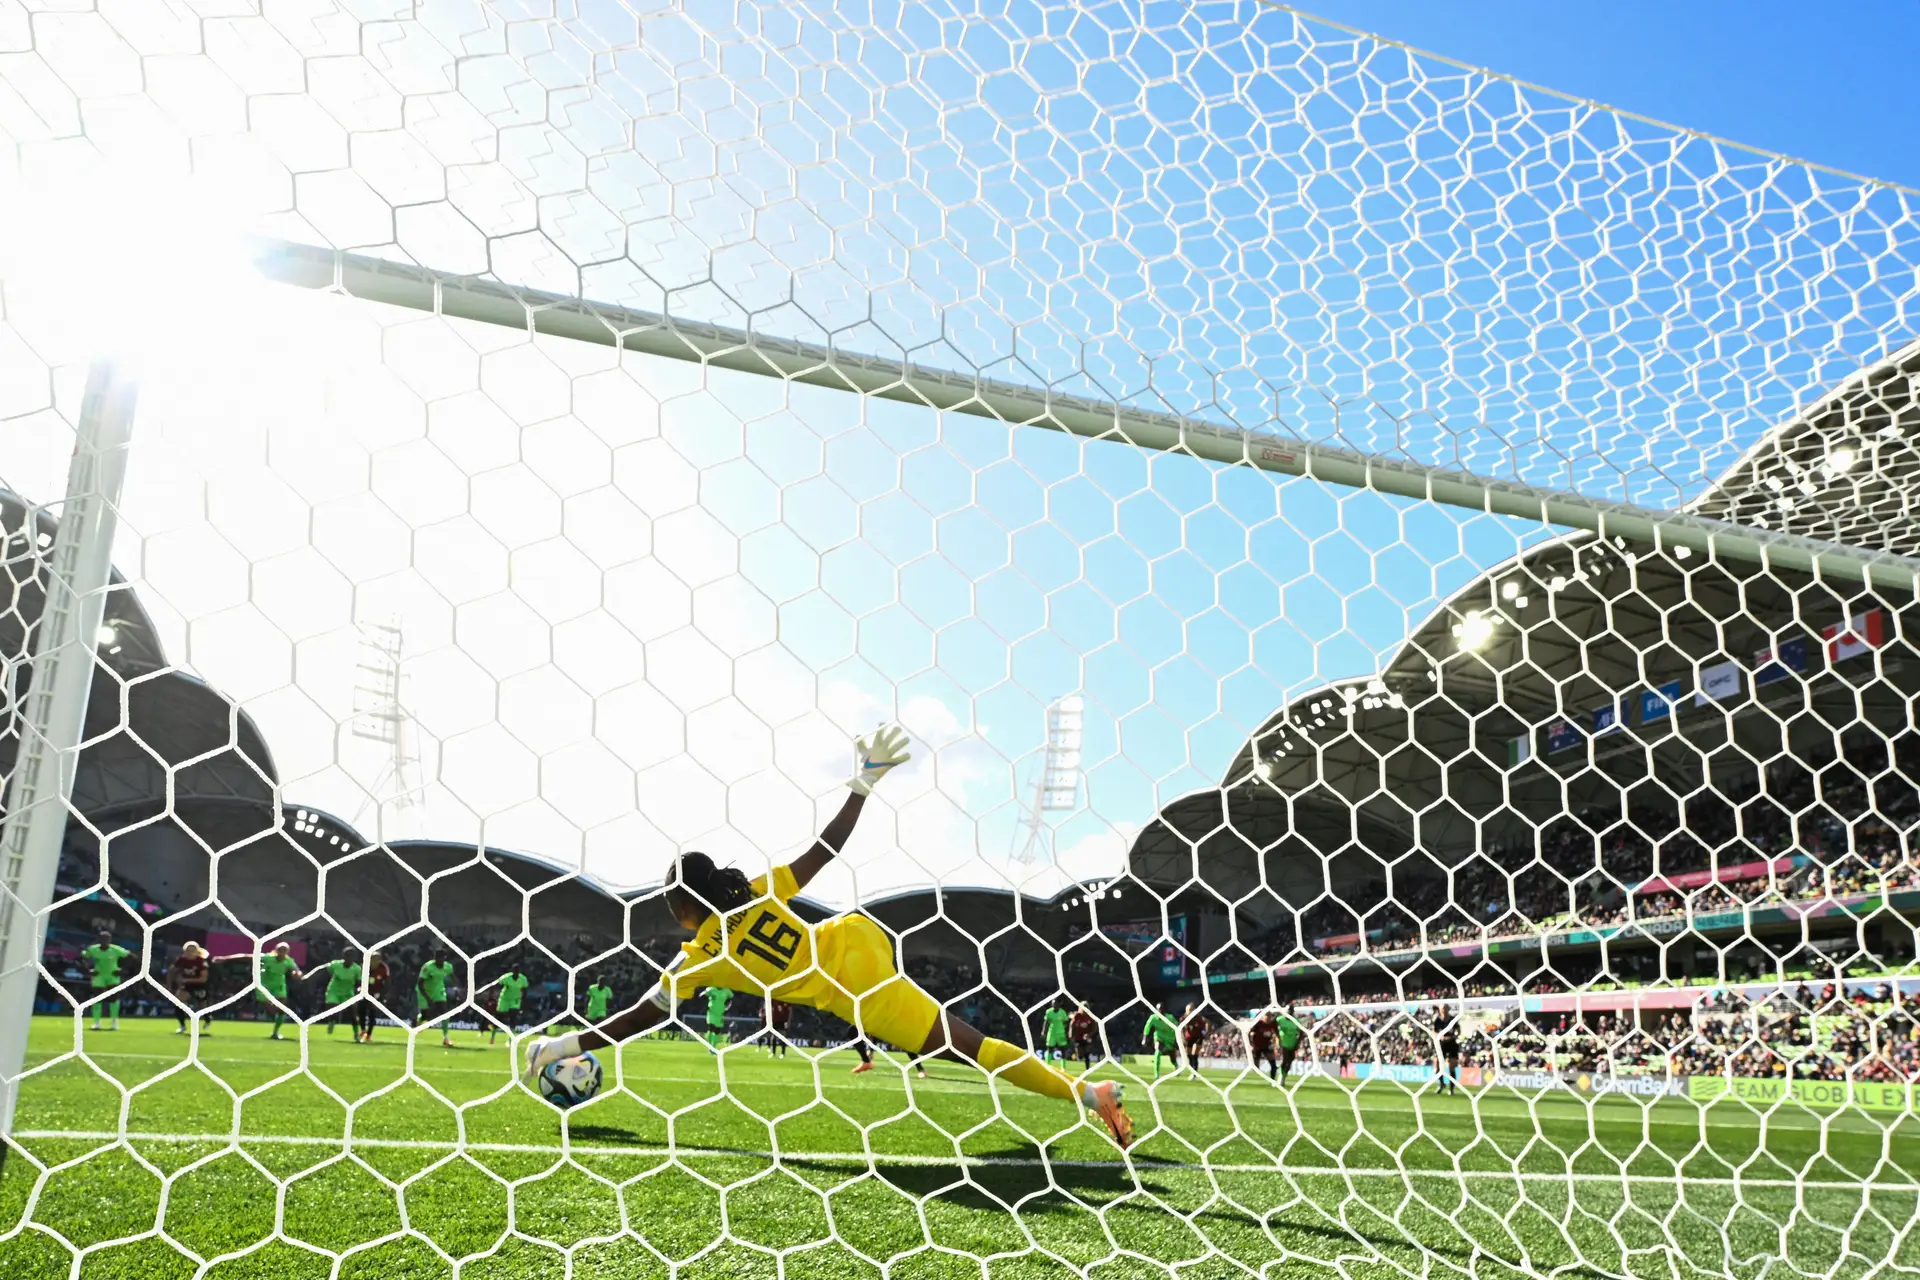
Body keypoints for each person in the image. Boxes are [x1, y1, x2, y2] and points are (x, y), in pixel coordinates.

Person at [524, 725, 1130, 1147]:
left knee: (967, 1049)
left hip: (857, 988)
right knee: (947, 1044)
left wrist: (560, 1046)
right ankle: (1084, 1090)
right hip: (858, 939)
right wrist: (862, 785)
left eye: (669, 900)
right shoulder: (755, 890)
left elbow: (638, 1018)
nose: (667, 909)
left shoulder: (698, 958)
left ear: (685, 904)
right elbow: (825, 849)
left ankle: (1087, 1091)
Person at [212, 941, 301, 1039]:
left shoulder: (289, 961)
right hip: (263, 986)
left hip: (279, 986)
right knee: (271, 1012)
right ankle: (272, 1018)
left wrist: (296, 974)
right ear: (276, 950)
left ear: (288, 951)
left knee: (281, 1010)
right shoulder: (266, 958)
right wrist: (225, 959)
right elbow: (245, 956)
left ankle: (275, 1033)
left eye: (285, 950)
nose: (282, 951)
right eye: (280, 949)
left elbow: (296, 970)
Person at [81, 929, 134, 1031]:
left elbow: (130, 956)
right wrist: (88, 970)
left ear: (110, 940)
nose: (105, 940)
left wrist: (123, 969)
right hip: (99, 975)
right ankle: (97, 1023)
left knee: (113, 998)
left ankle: (114, 1021)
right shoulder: (93, 949)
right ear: (99, 939)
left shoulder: (115, 949)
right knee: (97, 998)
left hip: (112, 975)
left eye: (107, 939)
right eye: (103, 938)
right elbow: (83, 956)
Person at [304, 953, 363, 1036]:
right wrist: (309, 976)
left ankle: (356, 1034)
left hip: (347, 993)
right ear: (343, 957)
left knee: (353, 1013)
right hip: (334, 991)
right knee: (332, 1008)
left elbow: (359, 982)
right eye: (347, 956)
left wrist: (359, 990)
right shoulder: (335, 964)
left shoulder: (357, 969)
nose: (349, 958)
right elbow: (322, 968)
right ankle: (332, 1021)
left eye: (351, 956)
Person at [163, 940, 211, 1036]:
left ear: (197, 951)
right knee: (178, 1001)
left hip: (199, 985)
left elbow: (203, 979)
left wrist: (185, 980)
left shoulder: (201, 962)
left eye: (192, 950)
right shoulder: (181, 960)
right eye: (188, 950)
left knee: (203, 1007)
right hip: (187, 985)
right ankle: (182, 1026)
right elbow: (171, 971)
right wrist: (169, 985)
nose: (190, 953)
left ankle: (207, 1019)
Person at [416, 949, 456, 1047]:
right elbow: (420, 984)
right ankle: (420, 1020)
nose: (439, 960)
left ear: (444, 958)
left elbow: (452, 977)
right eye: (437, 958)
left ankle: (446, 1038)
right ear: (434, 958)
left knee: (445, 1013)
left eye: (441, 958)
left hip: (438, 990)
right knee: (426, 1015)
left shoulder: (448, 966)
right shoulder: (427, 967)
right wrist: (428, 999)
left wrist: (457, 988)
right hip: (424, 991)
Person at [357, 951, 390, 1043]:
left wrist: (383, 996)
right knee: (361, 1011)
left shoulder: (383, 968)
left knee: (372, 1013)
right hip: (364, 991)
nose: (375, 960)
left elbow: (387, 982)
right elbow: (358, 979)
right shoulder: (364, 966)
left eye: (377, 958)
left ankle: (368, 1034)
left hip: (376, 992)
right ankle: (363, 1030)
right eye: (373, 958)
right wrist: (359, 988)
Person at [1141, 1006, 1180, 1078]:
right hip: (1159, 1037)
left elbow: (1177, 1028)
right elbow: (1147, 1027)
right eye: (1159, 1010)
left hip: (1170, 1039)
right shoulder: (1153, 1018)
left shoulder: (1170, 1018)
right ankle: (1157, 1073)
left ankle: (1176, 1067)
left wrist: (1176, 1041)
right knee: (1158, 1050)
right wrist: (1145, 1038)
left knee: (1172, 1058)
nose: (1160, 1012)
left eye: (1162, 1011)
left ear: (1165, 1012)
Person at [1433, 1005, 1461, 1097]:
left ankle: (1451, 1089)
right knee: (1437, 1066)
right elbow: (1434, 1031)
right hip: (1441, 1044)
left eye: (1445, 1008)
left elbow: (1458, 1030)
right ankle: (1442, 1084)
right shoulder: (1437, 1020)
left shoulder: (1453, 1019)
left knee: (1451, 1067)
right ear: (1440, 1010)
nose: (1444, 1010)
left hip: (1452, 1044)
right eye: (1442, 1009)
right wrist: (1440, 1036)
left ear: (1448, 1009)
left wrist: (1453, 1036)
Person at [1274, 1004, 1306, 1086]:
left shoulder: (1296, 1021)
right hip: (1283, 1043)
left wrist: (1298, 1042)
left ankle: (1284, 1076)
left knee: (1290, 1061)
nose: (1289, 1012)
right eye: (1288, 1010)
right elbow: (1273, 1027)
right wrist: (1277, 1037)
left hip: (1293, 1043)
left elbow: (1301, 1032)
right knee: (1284, 1060)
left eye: (1291, 1011)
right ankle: (1281, 1077)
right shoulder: (1279, 1020)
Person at [1248, 1009, 1279, 1081]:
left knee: (1273, 1064)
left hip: (1267, 1046)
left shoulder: (1273, 1024)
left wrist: (1278, 1045)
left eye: (1270, 1016)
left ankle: (1272, 1080)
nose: (1268, 1018)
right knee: (1256, 1067)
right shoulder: (1258, 1024)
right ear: (1263, 1016)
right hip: (1257, 1046)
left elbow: (1277, 1035)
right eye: (1266, 1016)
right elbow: (1249, 1033)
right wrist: (1250, 1044)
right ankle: (1257, 1077)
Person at [1180, 1003, 1210, 1078]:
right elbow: (1181, 1029)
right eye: (1188, 1010)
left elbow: (1207, 1022)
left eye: (1191, 1009)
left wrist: (1206, 1033)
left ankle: (1195, 1072)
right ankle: (1192, 1069)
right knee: (1189, 1054)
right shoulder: (1183, 1018)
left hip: (1198, 1037)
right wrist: (1183, 1038)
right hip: (1189, 1038)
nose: (1189, 1011)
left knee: (1194, 1054)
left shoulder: (1198, 1018)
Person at [1069, 1002, 1098, 1071]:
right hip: (1078, 1037)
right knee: (1080, 1055)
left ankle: (1088, 1069)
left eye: (1086, 1008)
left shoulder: (1091, 1017)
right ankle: (1079, 1056)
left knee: (1086, 1053)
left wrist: (1089, 1035)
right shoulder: (1077, 1015)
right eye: (1083, 1008)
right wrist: (1070, 1034)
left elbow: (1094, 1029)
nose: (1084, 1009)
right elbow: (1072, 1024)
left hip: (1086, 1038)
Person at [1042, 998, 1072, 1063]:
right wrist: (1044, 1031)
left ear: (1059, 1004)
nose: (1054, 1005)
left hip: (1061, 1034)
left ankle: (1063, 1068)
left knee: (1062, 1050)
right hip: (1051, 1033)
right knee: (1049, 1049)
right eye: (1053, 1004)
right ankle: (1048, 1065)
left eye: (1055, 1003)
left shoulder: (1062, 1012)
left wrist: (1066, 1032)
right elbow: (1046, 1022)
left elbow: (1066, 1022)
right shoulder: (1049, 1012)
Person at [703, 986, 732, 1051]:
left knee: (717, 1031)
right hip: (711, 1012)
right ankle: (709, 1045)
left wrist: (728, 1007)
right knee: (711, 1028)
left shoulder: (727, 991)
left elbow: (731, 999)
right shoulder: (711, 989)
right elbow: (702, 995)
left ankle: (713, 1047)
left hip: (720, 1013)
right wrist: (705, 1005)